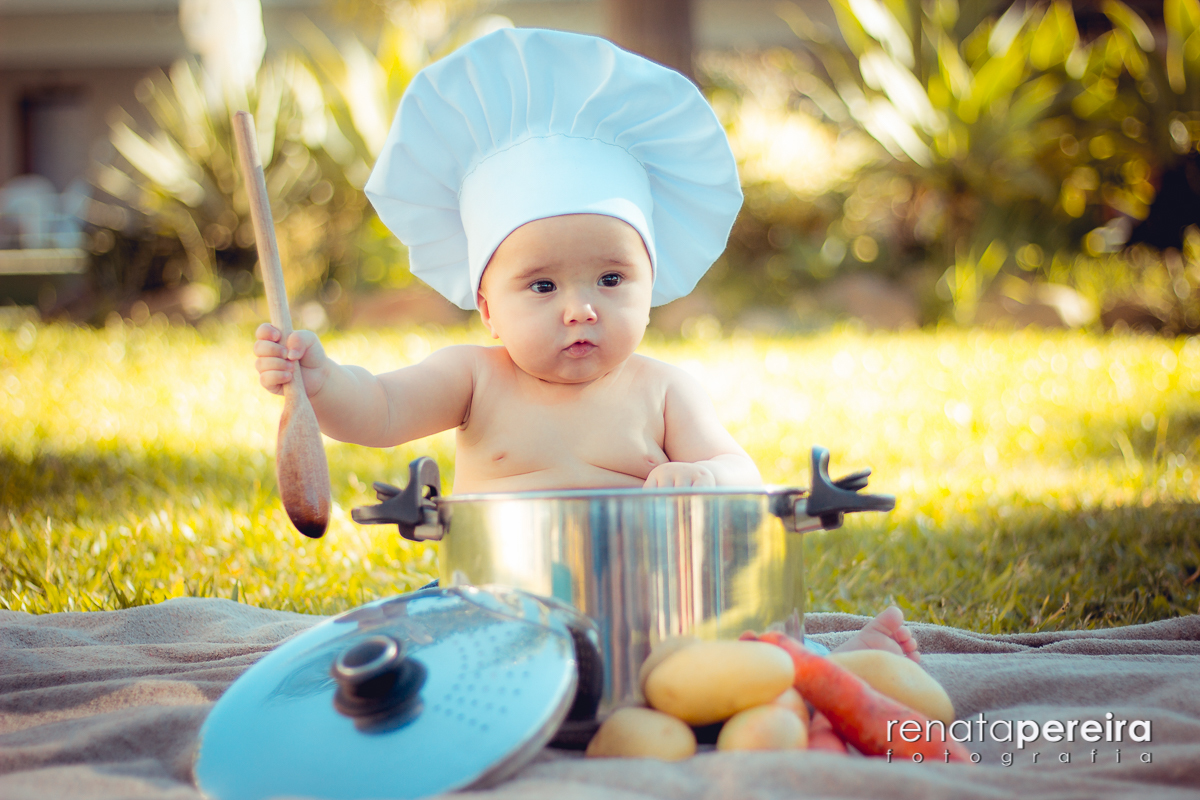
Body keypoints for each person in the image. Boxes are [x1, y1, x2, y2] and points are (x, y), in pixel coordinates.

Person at [252, 27, 919, 662]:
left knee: (750, 648)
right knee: (411, 644)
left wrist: (703, 476)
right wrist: (320, 379)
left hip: (652, 612)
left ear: (650, 283)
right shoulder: (472, 379)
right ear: (487, 309)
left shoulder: (661, 389)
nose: (581, 309)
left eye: (610, 277)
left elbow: (741, 474)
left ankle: (842, 662)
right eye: (541, 287)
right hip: (498, 604)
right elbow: (379, 409)